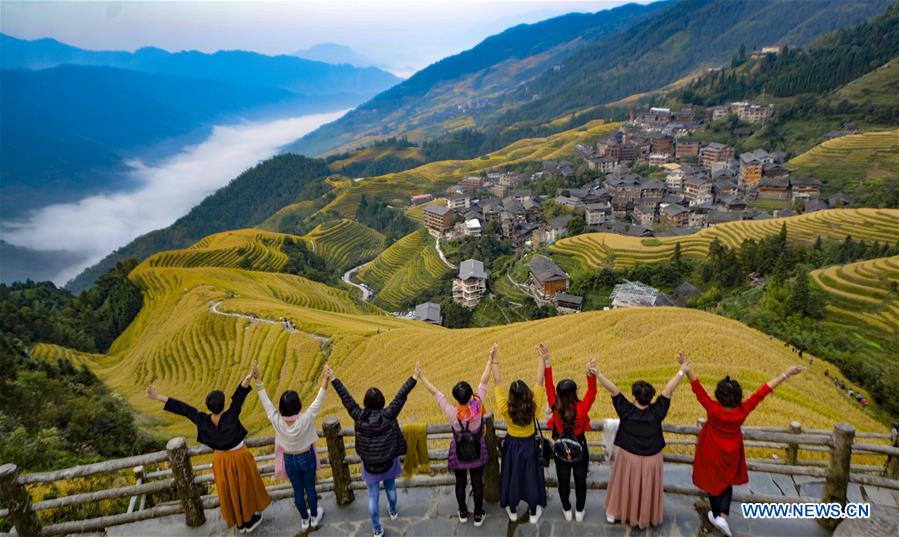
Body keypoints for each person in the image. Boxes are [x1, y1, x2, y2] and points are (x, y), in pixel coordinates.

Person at [146, 364, 270, 533]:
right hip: (239, 458)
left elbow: (183, 409)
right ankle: (248, 520)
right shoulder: (231, 415)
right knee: (244, 487)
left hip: (220, 461)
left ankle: (239, 522)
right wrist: (250, 376)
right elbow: (239, 396)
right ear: (224, 403)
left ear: (208, 406)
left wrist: (158, 396)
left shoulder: (202, 420)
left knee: (230, 491)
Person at [684, 363, 803, 537]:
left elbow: (697, 388)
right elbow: (763, 391)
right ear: (738, 396)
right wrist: (786, 373)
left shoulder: (712, 409)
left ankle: (716, 516)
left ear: (719, 395)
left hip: (710, 451)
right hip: (731, 453)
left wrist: (686, 369)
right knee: (727, 482)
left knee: (713, 483)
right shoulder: (743, 410)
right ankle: (722, 517)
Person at [598, 352, 689, 528]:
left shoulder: (626, 410)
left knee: (624, 486)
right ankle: (642, 517)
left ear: (633, 396)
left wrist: (598, 373)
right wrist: (682, 370)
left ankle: (614, 513)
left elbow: (613, 389)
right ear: (651, 397)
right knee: (645, 489)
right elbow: (669, 390)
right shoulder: (657, 411)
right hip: (651, 459)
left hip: (627, 457)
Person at [332, 368, 418, 537]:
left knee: (373, 497)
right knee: (391, 489)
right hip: (388, 463)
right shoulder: (388, 414)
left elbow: (347, 399)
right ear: (382, 401)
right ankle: (393, 511)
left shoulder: (359, 416)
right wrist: (414, 378)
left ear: (365, 402)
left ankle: (377, 529)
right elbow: (401, 397)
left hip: (370, 465)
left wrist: (334, 379)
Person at [417, 349, 494, 527]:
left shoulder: (451, 411)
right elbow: (484, 380)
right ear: (470, 396)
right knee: (477, 482)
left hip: (459, 452)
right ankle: (478, 514)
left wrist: (421, 376)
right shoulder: (478, 404)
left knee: (460, 483)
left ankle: (462, 513)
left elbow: (435, 393)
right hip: (476, 449)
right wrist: (490, 359)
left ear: (456, 398)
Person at [254, 362, 331, 531]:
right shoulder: (304, 419)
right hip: (306, 456)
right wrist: (325, 378)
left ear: (281, 408)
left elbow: (266, 402)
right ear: (298, 406)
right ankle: (314, 516)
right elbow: (319, 400)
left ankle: (304, 520)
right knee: (310, 487)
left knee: (297, 490)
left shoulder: (276, 420)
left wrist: (258, 380)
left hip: (289, 458)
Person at [493, 343, 547, 524]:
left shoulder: (504, 409)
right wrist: (542, 357)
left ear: (511, 396)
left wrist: (494, 360)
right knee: (531, 476)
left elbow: (497, 382)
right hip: (530, 445)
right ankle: (533, 512)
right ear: (527, 394)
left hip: (512, 446)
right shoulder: (534, 407)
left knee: (513, 476)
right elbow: (540, 381)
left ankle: (513, 510)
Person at [542, 345, 597, 522]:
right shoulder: (581, 409)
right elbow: (593, 392)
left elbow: (548, 387)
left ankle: (566, 508)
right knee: (580, 481)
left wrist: (547, 362)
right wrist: (590, 374)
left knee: (563, 480)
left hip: (561, 448)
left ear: (558, 394)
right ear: (574, 393)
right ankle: (579, 510)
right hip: (579, 446)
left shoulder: (554, 405)